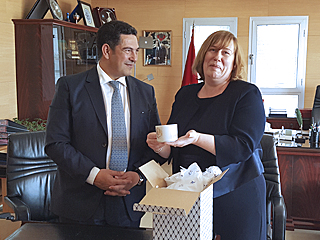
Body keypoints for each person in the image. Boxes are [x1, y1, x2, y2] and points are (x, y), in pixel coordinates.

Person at [147, 30, 266, 240]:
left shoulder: (247, 94)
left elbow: (243, 146)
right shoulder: (185, 94)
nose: (217, 56)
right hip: (188, 193)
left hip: (235, 192)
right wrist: (161, 147)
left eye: (225, 52)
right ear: (203, 56)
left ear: (234, 62)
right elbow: (174, 148)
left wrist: (197, 138)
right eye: (212, 49)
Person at [45, 20, 163, 228]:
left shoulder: (145, 92)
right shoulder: (70, 87)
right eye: (128, 50)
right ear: (107, 50)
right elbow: (56, 143)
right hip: (80, 202)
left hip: (127, 202)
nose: (135, 58)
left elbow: (154, 144)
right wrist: (95, 175)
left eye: (136, 51)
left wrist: (138, 176)